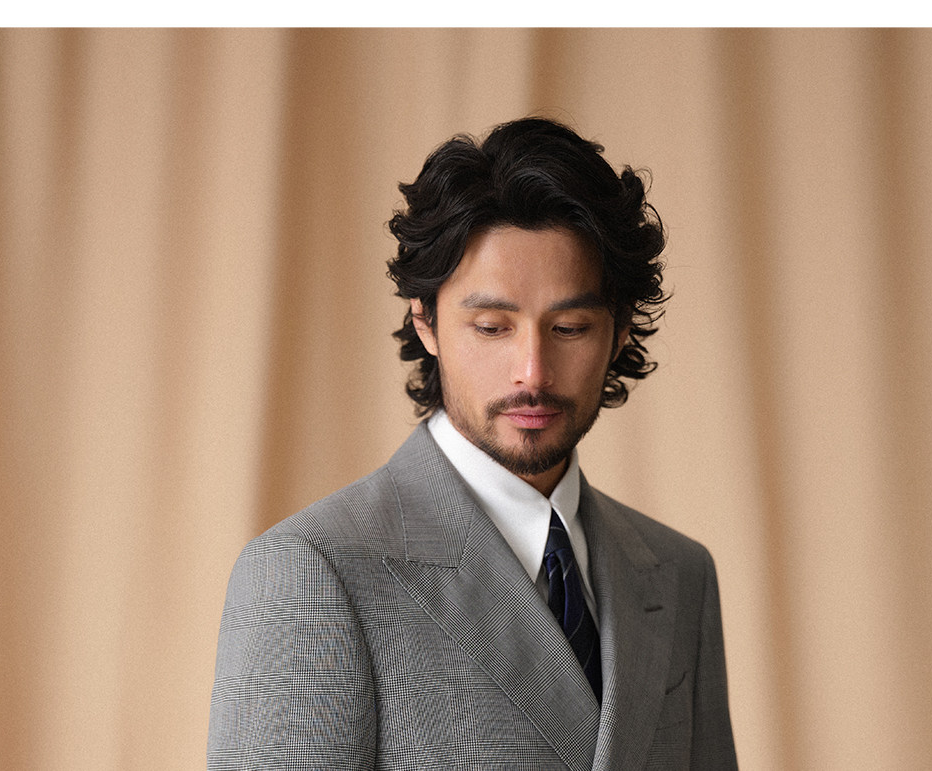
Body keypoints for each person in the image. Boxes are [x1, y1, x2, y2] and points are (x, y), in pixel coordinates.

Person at [207, 117, 738, 770]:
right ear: (425, 321)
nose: (533, 373)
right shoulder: (311, 572)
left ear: (621, 331)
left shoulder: (679, 574)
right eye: (491, 327)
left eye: (570, 327)